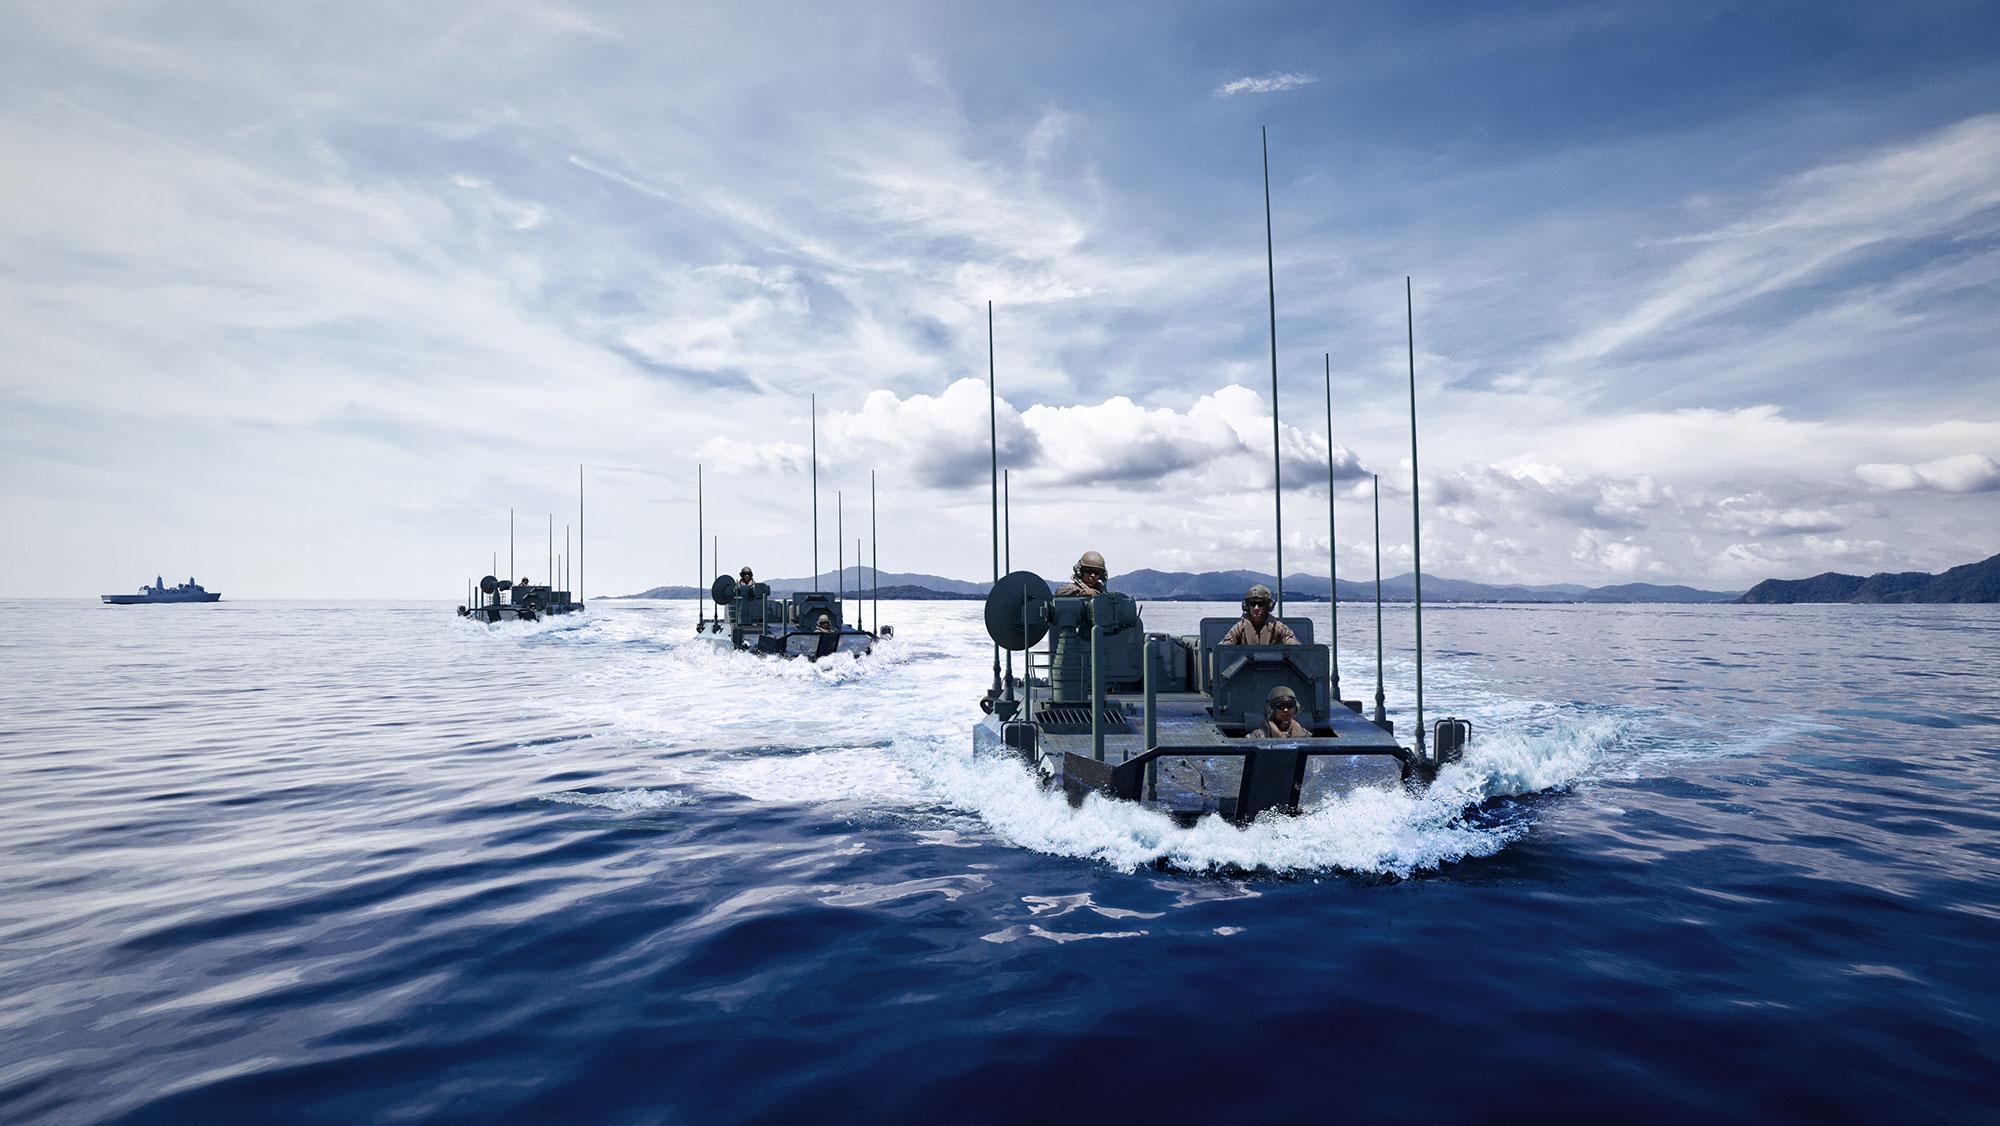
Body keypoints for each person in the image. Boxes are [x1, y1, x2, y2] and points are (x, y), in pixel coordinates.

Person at [1221, 584, 1298, 646]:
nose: (1256, 608)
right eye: (1253, 604)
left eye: (1261, 604)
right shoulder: (1239, 628)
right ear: (1247, 606)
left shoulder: (1278, 628)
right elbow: (1223, 650)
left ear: (1268, 606)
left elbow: (1296, 647)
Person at [1246, 685, 1311, 739]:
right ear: (1271, 709)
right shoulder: (1258, 736)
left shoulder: (1304, 735)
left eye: (1290, 705)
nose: (1286, 710)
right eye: (1280, 705)